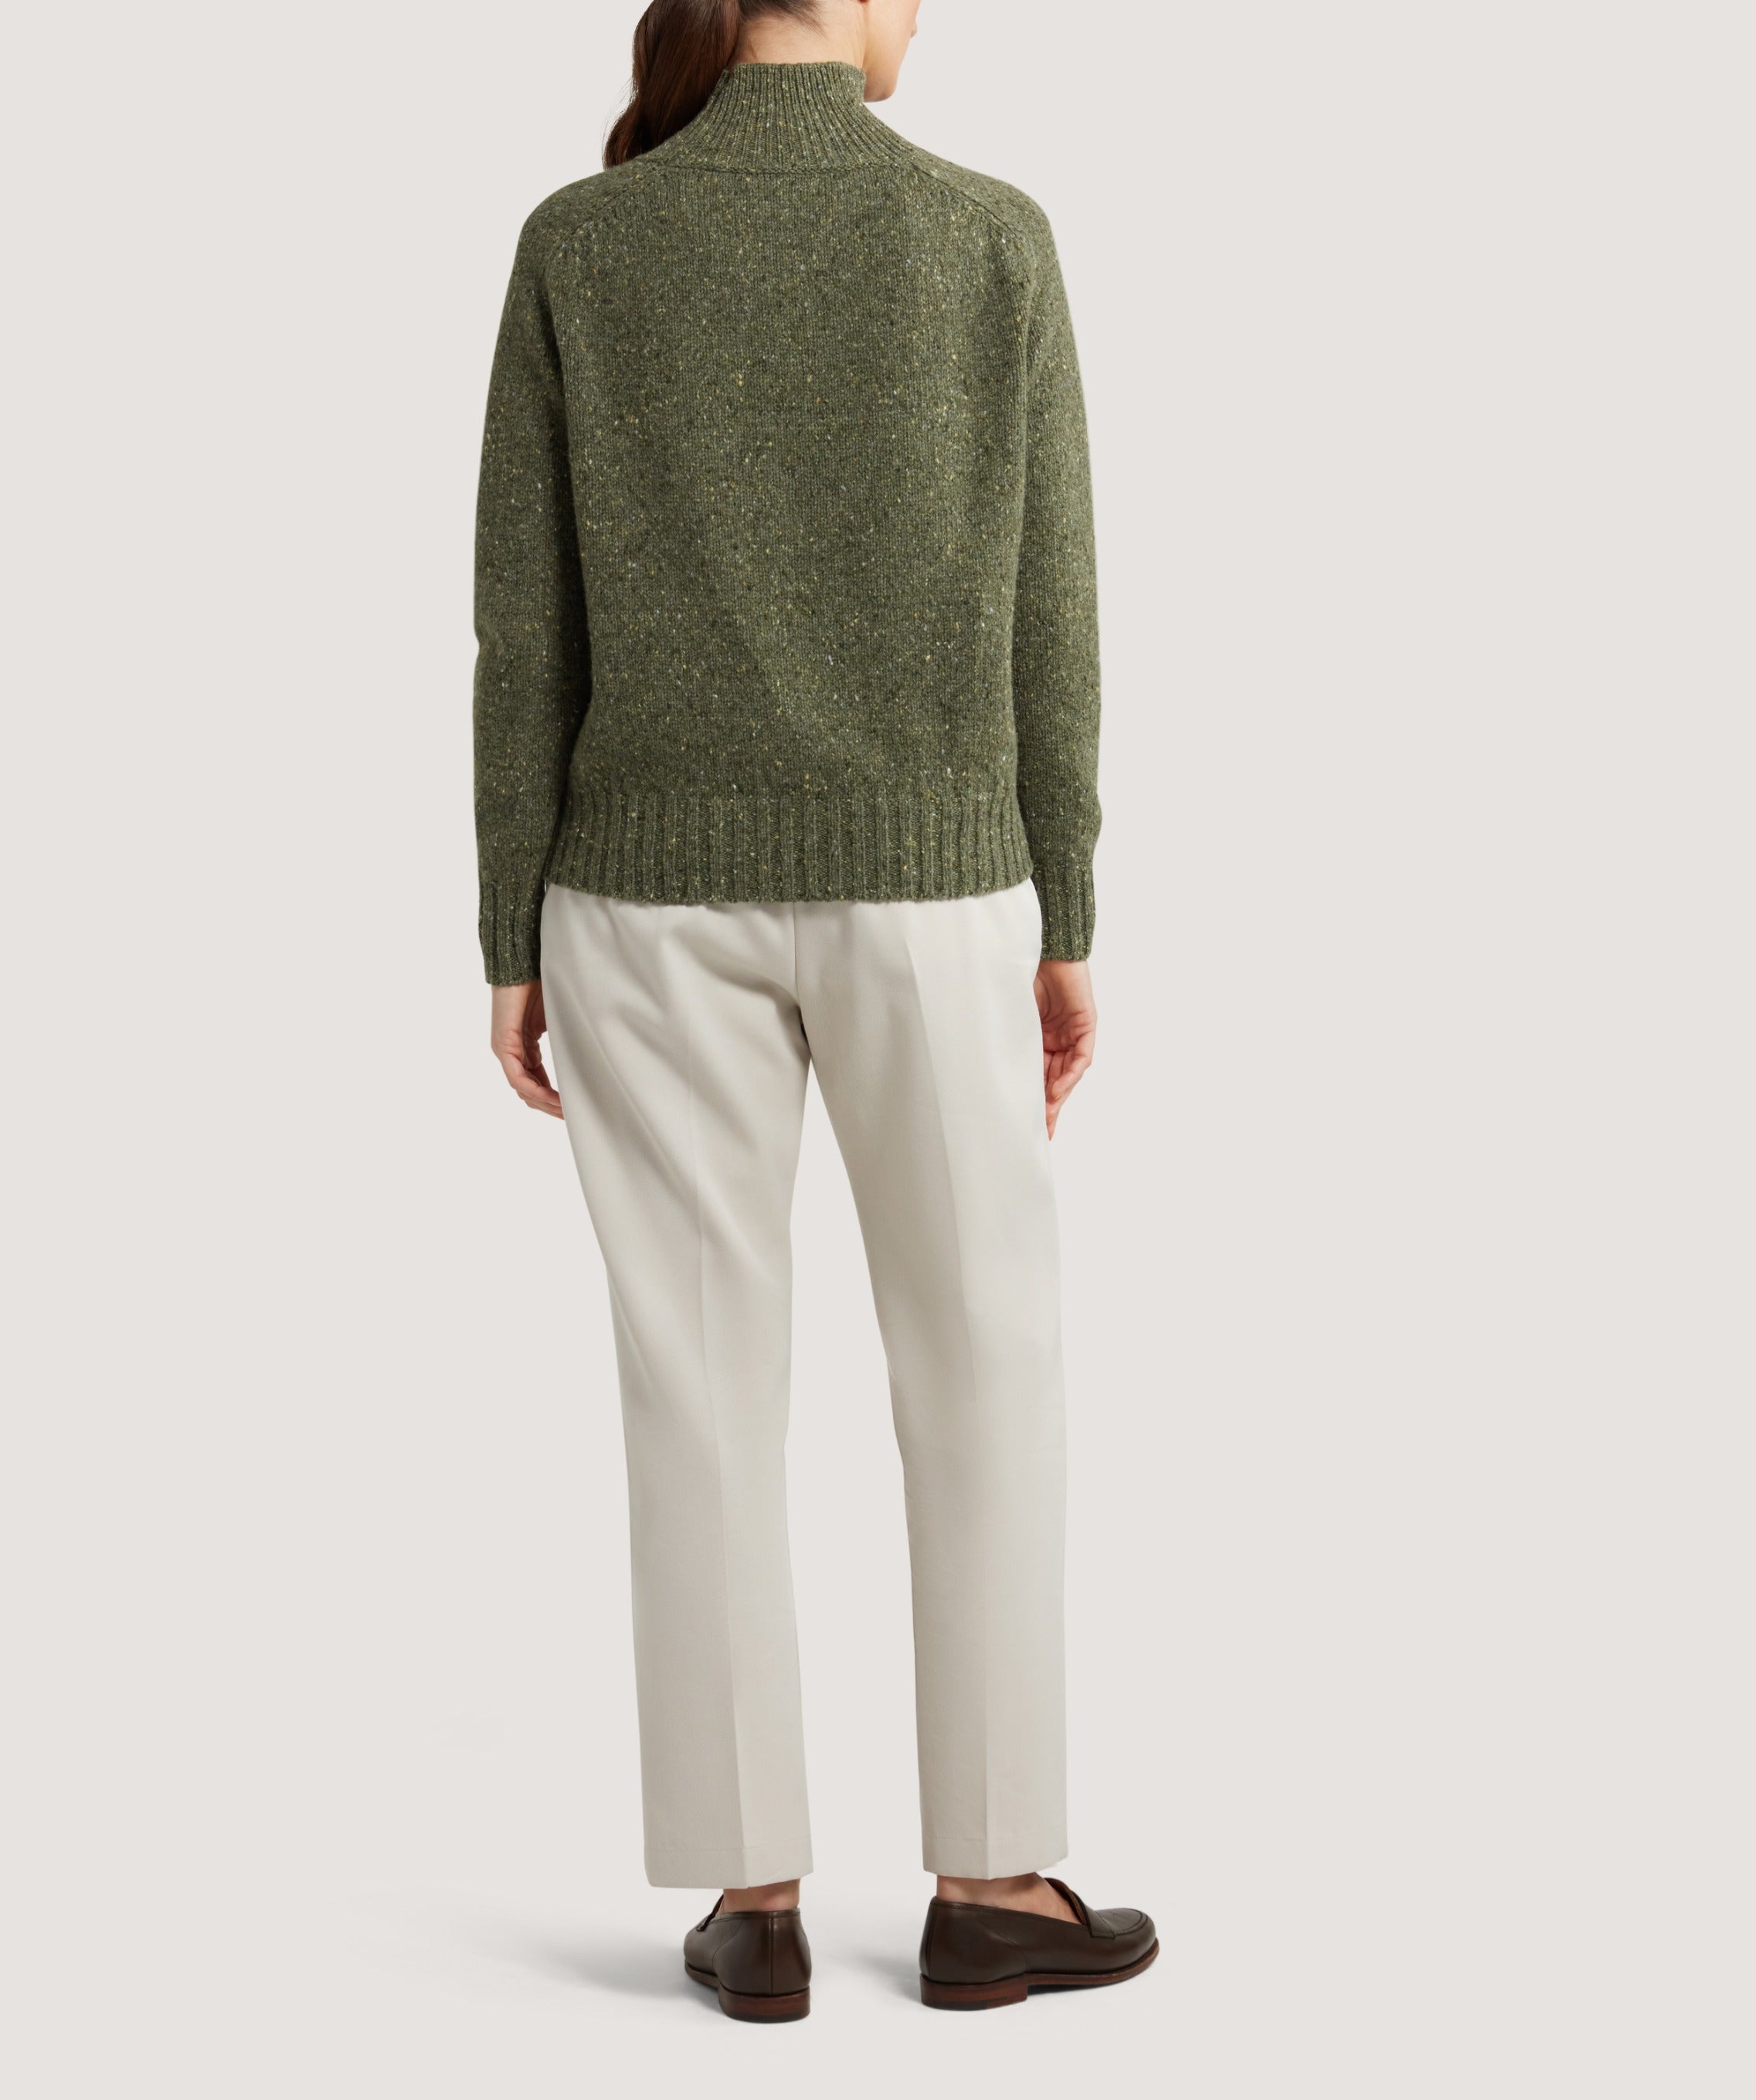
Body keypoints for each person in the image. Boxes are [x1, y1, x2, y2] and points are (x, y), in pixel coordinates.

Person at [473, 0, 1154, 2019]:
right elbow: (1053, 608)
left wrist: (508, 928)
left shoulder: (582, 244)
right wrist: (1065, 899)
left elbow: (525, 622)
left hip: (639, 894)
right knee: (985, 1361)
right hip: (935, 884)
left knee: (696, 1385)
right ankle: (993, 1883)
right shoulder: (986, 235)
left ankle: (753, 1900)